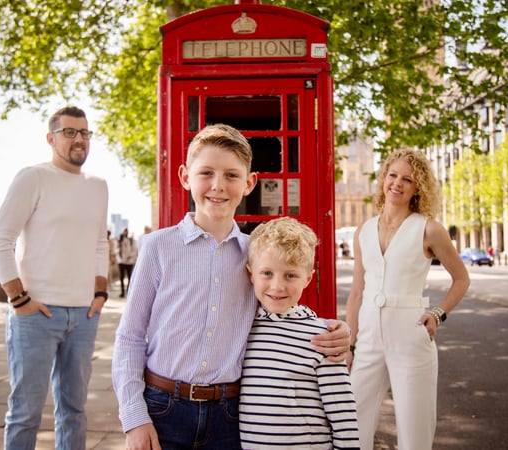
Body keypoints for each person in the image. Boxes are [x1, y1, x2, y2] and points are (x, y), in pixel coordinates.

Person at [112, 123, 349, 450]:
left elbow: (281, 310)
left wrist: (334, 330)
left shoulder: (255, 255)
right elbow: (130, 336)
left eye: (231, 175)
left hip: (230, 416)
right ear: (185, 177)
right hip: (162, 407)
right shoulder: (157, 247)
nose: (218, 186)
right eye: (206, 173)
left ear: (249, 183)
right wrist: (134, 416)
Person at [0, 106, 109, 450]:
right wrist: (18, 298)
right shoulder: (33, 177)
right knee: (25, 412)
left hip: (84, 315)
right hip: (35, 315)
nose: (79, 139)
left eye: (84, 132)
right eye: (70, 132)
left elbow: (101, 241)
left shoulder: (98, 186)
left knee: (74, 410)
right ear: (51, 138)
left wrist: (100, 293)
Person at [345, 148, 470, 450]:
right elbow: (358, 291)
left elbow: (462, 279)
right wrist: (349, 344)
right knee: (352, 419)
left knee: (415, 426)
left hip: (411, 335)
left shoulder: (429, 229)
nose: (397, 184)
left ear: (417, 188)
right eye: (393, 175)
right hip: (369, 337)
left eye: (407, 180)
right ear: (384, 178)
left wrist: (438, 313)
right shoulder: (363, 231)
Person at [239, 217, 360, 449]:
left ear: (308, 278)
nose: (277, 286)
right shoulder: (242, 328)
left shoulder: (323, 336)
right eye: (267, 273)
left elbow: (342, 410)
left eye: (290, 275)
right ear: (250, 274)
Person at [117, 227, 137, 297]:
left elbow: (134, 251)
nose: (126, 232)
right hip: (121, 262)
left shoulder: (131, 240)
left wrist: (129, 256)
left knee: (130, 277)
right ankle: (122, 292)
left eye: (126, 231)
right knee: (121, 277)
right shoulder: (120, 240)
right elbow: (117, 250)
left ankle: (128, 291)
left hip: (129, 262)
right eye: (124, 231)